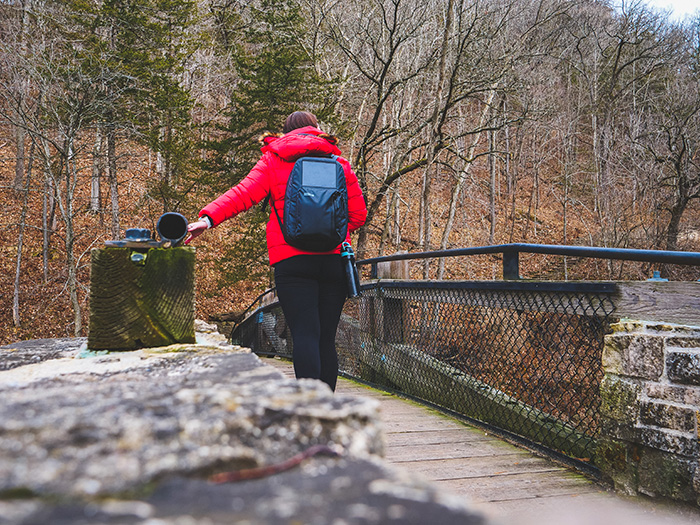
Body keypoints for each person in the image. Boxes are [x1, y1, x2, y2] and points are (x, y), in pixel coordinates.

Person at [185, 111, 367, 391]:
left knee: (305, 335)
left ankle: (309, 407)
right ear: (317, 130)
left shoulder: (273, 159)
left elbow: (243, 193)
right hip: (333, 262)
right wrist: (328, 229)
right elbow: (358, 216)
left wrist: (207, 219)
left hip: (292, 261)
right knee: (325, 339)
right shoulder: (338, 163)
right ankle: (329, 407)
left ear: (285, 133)